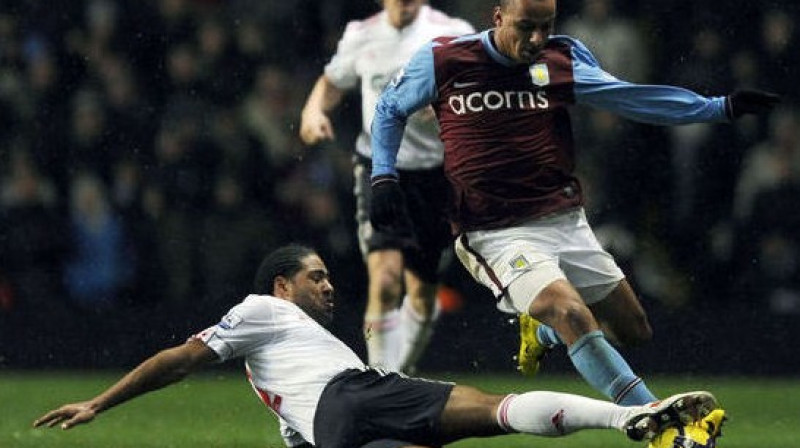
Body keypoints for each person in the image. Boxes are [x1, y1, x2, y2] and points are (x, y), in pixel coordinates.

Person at [368, 0, 779, 407]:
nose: (536, 38)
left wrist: (718, 107)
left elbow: (629, 97)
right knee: (568, 311)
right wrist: (383, 175)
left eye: (545, 27)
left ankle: (540, 331)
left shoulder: (558, 60)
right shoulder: (446, 60)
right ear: (498, 17)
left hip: (564, 219)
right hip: (494, 230)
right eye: (525, 26)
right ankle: (656, 417)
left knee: (634, 330)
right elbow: (389, 108)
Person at [33, 244, 719, 448]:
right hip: (356, 396)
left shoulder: (282, 374)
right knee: (495, 410)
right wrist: (103, 400)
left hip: (332, 426)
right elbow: (179, 359)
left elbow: (302, 439)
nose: (330, 287)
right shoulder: (260, 311)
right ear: (282, 284)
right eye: (317, 276)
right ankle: (632, 418)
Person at [299, 0, 474, 373]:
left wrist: (446, 104)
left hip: (437, 176)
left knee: (423, 296)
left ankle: (400, 373)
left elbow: (478, 93)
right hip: (380, 168)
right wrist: (313, 111)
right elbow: (332, 81)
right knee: (385, 278)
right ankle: (381, 381)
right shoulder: (361, 35)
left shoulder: (453, 33)